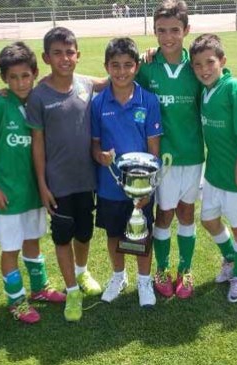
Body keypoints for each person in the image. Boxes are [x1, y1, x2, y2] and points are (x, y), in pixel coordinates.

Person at [0, 41, 66, 326]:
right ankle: (16, 300)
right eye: (13, 77)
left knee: (32, 240)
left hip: (32, 192)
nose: (19, 82)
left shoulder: (37, 101)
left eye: (25, 76)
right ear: (3, 78)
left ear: (35, 73)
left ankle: (39, 288)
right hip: (5, 195)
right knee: (10, 249)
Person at [25, 27, 103, 322]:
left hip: (86, 178)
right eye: (57, 53)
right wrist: (42, 184)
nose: (64, 58)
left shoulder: (85, 85)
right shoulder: (39, 96)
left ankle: (82, 273)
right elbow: (38, 143)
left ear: (78, 55)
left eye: (69, 52)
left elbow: (113, 79)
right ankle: (71, 290)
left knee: (84, 232)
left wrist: (145, 59)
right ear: (46, 57)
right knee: (62, 237)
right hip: (57, 183)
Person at [135, 0, 203, 299]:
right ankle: (161, 268)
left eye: (175, 30)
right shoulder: (147, 67)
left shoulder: (197, 66)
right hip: (161, 158)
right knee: (164, 215)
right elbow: (120, 85)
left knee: (187, 213)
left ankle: (184, 269)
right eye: (161, 31)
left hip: (193, 156)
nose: (168, 37)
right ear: (154, 31)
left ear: (186, 30)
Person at [91, 37, 163, 308]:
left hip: (140, 187)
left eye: (128, 65)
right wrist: (101, 156)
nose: (121, 71)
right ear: (106, 66)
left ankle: (144, 281)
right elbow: (95, 146)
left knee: (141, 232)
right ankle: (118, 276)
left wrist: (148, 187)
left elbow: (154, 150)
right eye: (115, 65)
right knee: (113, 234)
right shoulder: (98, 104)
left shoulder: (149, 100)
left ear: (136, 67)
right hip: (110, 186)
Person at [189, 34, 237, 303]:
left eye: (210, 62)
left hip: (236, 173)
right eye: (198, 65)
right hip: (215, 172)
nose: (204, 69)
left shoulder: (234, 89)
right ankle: (230, 258)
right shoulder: (206, 91)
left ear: (223, 61)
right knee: (208, 220)